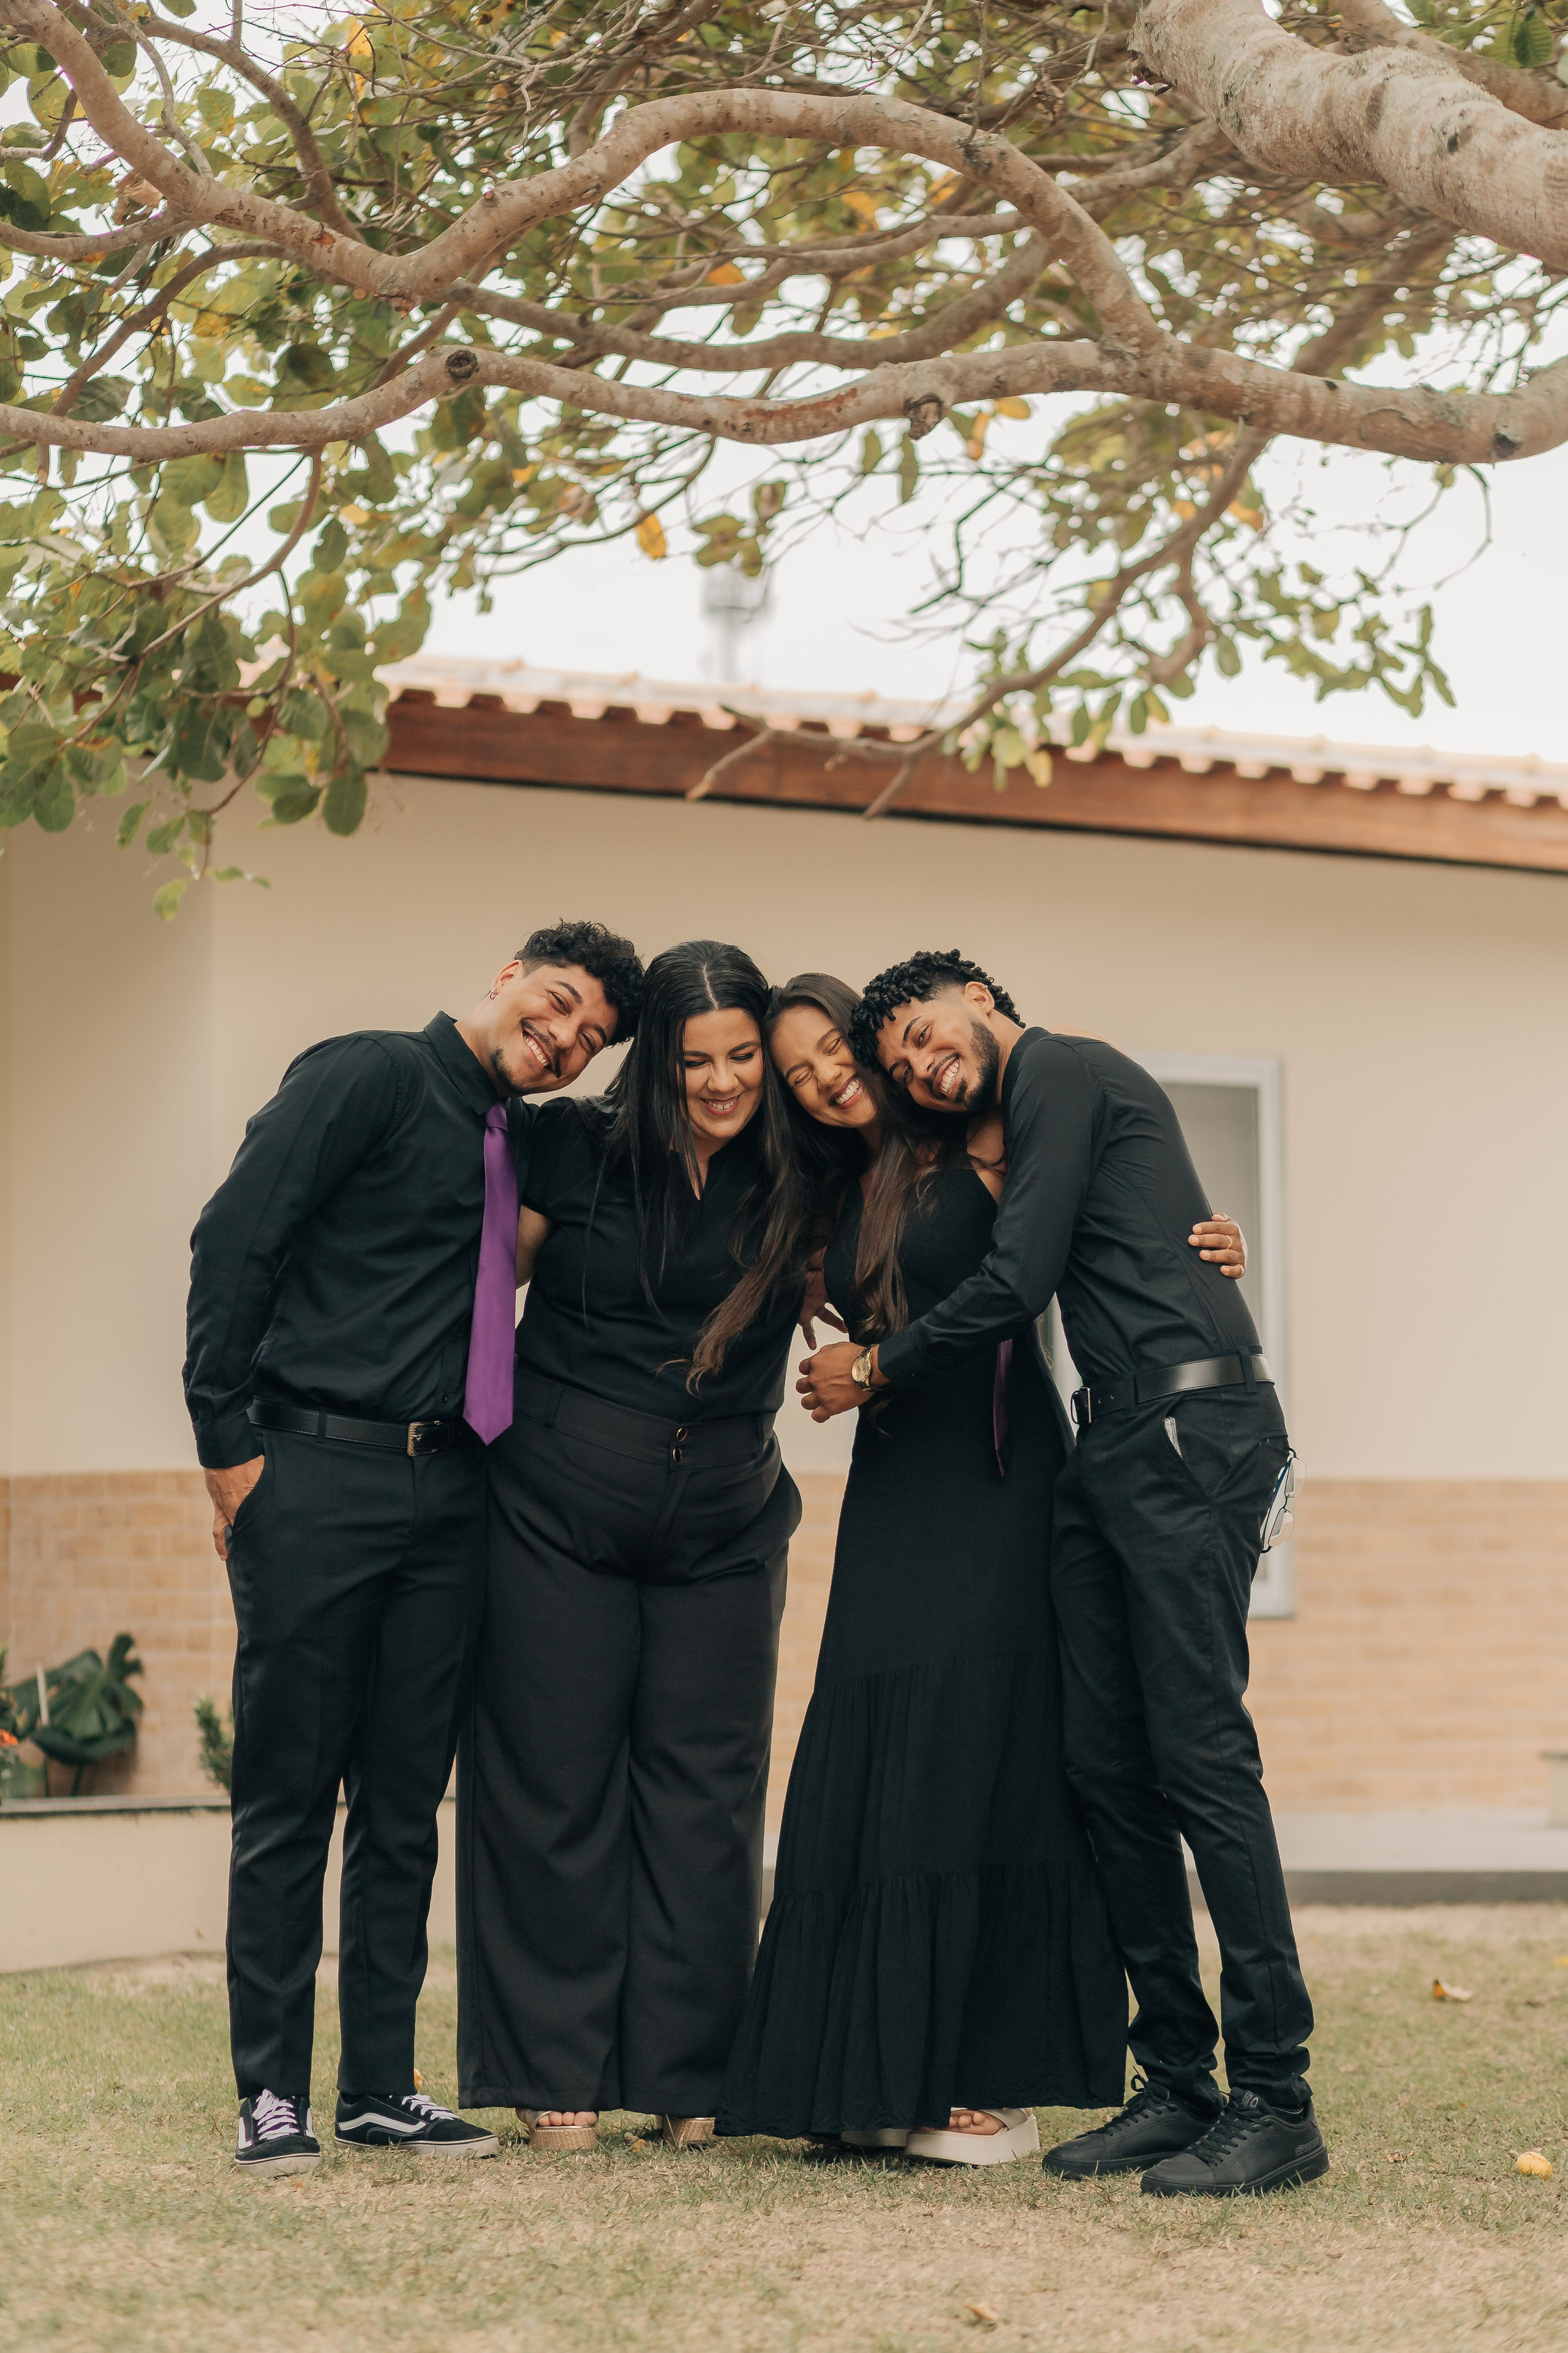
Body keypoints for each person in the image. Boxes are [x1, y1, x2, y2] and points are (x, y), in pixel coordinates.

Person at [798, 953, 1326, 2199]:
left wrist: (874, 1370)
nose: (924, 1064)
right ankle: (1180, 2081)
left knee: (1197, 1753)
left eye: (926, 1034)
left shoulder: (1063, 1067)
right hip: (1110, 1442)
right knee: (1103, 1762)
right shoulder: (1016, 1120)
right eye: (904, 1066)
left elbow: (1017, 1273)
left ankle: (1274, 2096)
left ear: (977, 996)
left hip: (1193, 1434)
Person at [184, 919, 643, 2178]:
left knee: (402, 1803)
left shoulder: (526, 1134)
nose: (560, 1044)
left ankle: (380, 2086)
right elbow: (234, 1241)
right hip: (316, 1470)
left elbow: (671, 1134)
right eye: (553, 1009)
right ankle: (269, 2092)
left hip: (454, 1488)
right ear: (506, 978)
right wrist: (227, 1444)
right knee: (288, 1796)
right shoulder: (368, 1074)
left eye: (588, 1041)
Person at [458, 940, 819, 2153]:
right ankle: (550, 2068)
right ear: (655, 1065)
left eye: (738, 1060)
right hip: (555, 1506)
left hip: (724, 1523)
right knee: (551, 1777)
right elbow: (468, 1277)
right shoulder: (574, 1148)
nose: (720, 1083)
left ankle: (689, 2071)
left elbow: (916, 1245)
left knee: (705, 1796)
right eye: (693, 1061)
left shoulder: (800, 1172)